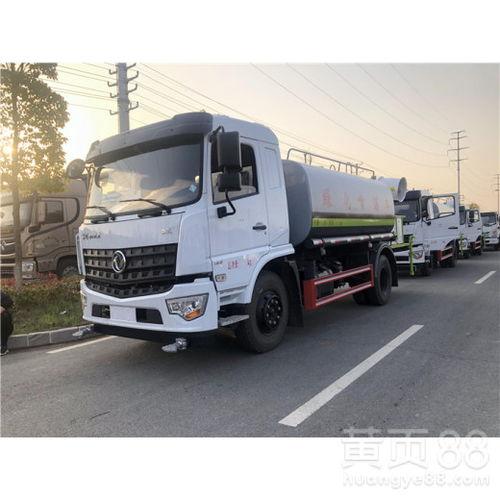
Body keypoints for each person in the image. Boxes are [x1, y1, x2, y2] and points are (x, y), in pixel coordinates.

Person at [1, 290, 14, 355]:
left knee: (4, 315)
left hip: (5, 327)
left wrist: (3, 307)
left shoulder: (1, 295)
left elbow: (9, 301)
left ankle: (3, 346)